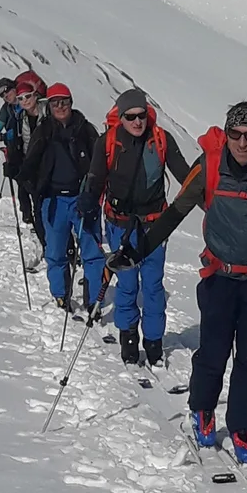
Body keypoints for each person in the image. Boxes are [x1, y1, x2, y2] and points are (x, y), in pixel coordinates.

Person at [114, 99, 247, 465]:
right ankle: (202, 410)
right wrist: (138, 250)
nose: (242, 143)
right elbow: (176, 211)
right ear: (226, 134)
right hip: (220, 277)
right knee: (213, 352)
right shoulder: (209, 166)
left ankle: (243, 428)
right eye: (235, 134)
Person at [83, 86, 192, 369]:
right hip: (119, 223)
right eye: (130, 117)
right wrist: (87, 206)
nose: (137, 122)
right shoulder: (107, 141)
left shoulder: (161, 140)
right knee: (128, 285)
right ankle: (128, 339)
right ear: (121, 117)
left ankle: (153, 344)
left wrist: (211, 203)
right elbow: (96, 178)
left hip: (154, 226)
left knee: (153, 286)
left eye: (141, 115)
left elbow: (187, 177)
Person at [21, 82, 104, 312]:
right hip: (53, 199)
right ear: (49, 105)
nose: (60, 106)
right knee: (55, 252)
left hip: (83, 199)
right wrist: (22, 175)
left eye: (64, 102)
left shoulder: (85, 129)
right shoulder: (44, 130)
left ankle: (93, 300)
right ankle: (60, 295)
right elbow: (32, 161)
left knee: (92, 252)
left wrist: (93, 191)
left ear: (71, 103)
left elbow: (100, 162)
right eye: (55, 102)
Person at [0, 70, 45, 230]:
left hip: (40, 160)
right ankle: (30, 216)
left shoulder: (40, 111)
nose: (6, 96)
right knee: (25, 186)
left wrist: (3, 138)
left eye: (7, 91)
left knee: (34, 191)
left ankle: (35, 218)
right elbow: (3, 127)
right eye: (2, 94)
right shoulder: (10, 112)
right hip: (25, 156)